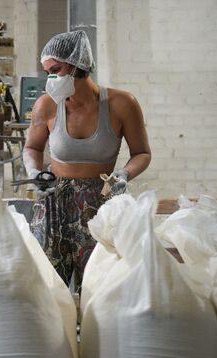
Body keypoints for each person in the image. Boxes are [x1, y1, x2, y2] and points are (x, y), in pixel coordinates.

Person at [23, 30, 151, 291]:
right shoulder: (46, 106)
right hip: (54, 202)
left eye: (55, 70)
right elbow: (32, 147)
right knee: (48, 287)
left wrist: (124, 174)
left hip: (99, 203)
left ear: (77, 65)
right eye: (46, 71)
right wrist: (35, 173)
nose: (50, 78)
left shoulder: (121, 103)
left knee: (99, 287)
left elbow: (142, 153)